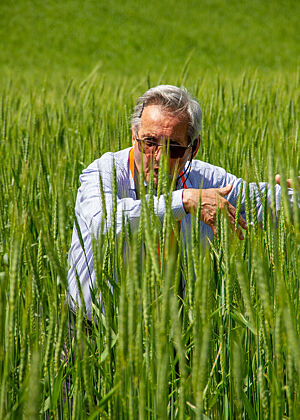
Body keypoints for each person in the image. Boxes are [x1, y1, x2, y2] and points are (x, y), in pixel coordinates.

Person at [68, 84, 294, 320]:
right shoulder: (102, 172)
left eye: (174, 148)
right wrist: (183, 200)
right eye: (149, 142)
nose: (159, 157)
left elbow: (263, 202)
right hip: (89, 331)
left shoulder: (207, 180)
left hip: (171, 335)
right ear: (134, 137)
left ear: (192, 149)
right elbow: (102, 222)